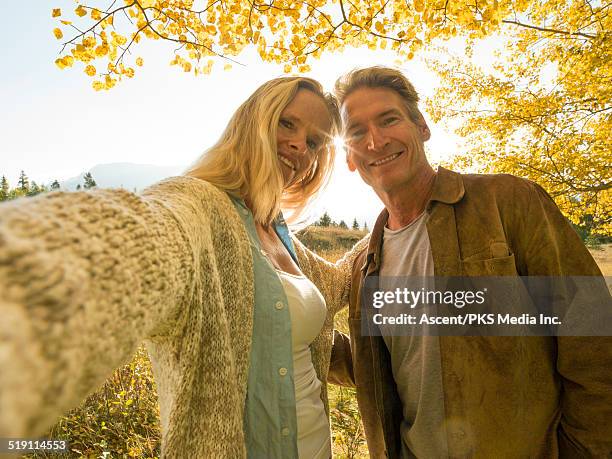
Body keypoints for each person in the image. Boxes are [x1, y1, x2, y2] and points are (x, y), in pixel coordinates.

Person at [0, 76, 366, 458]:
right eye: (286, 123)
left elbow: (341, 280)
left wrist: (390, 219)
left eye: (313, 142)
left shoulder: (283, 237)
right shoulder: (197, 206)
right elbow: (131, 241)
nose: (298, 146)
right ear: (251, 122)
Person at [328, 66, 612, 457]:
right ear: (349, 156)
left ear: (421, 126)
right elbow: (383, 367)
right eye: (357, 132)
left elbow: (593, 339)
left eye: (388, 119)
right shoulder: (366, 265)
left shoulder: (508, 203)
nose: (375, 140)